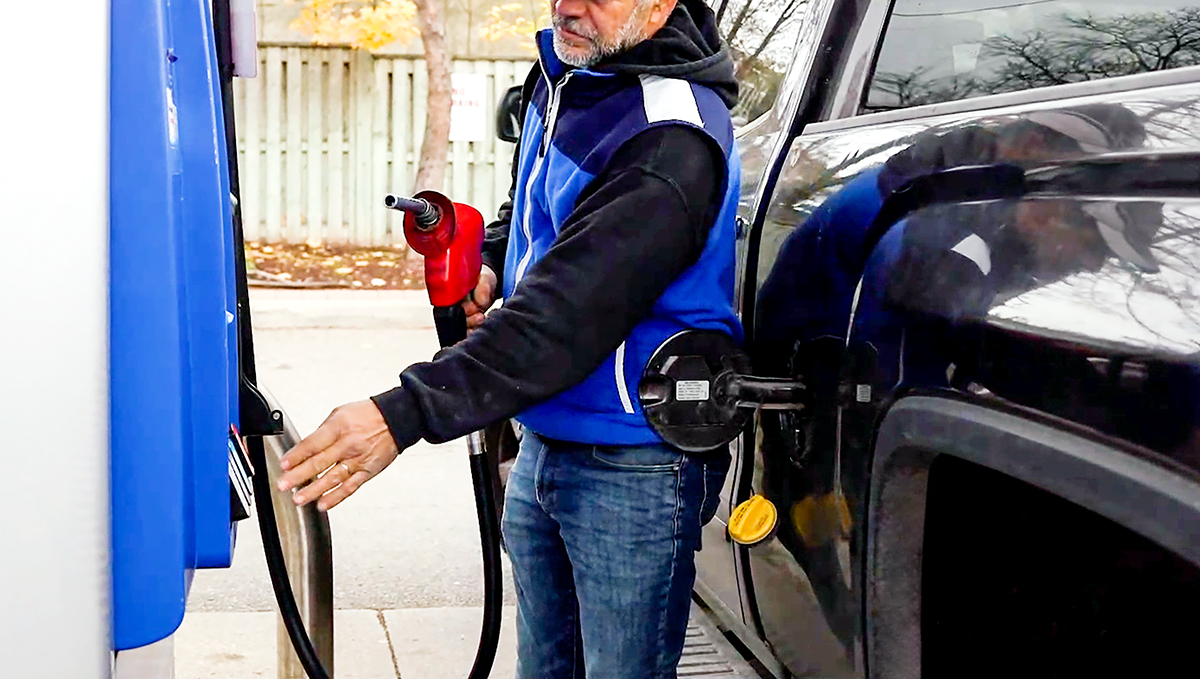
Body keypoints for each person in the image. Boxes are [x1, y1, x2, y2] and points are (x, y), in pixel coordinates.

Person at [276, 0, 743, 676]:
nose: (568, 4)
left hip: (632, 466)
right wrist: (493, 260)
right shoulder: (574, 77)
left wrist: (402, 413)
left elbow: (565, 317)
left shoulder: (668, 139)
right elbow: (536, 207)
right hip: (548, 440)